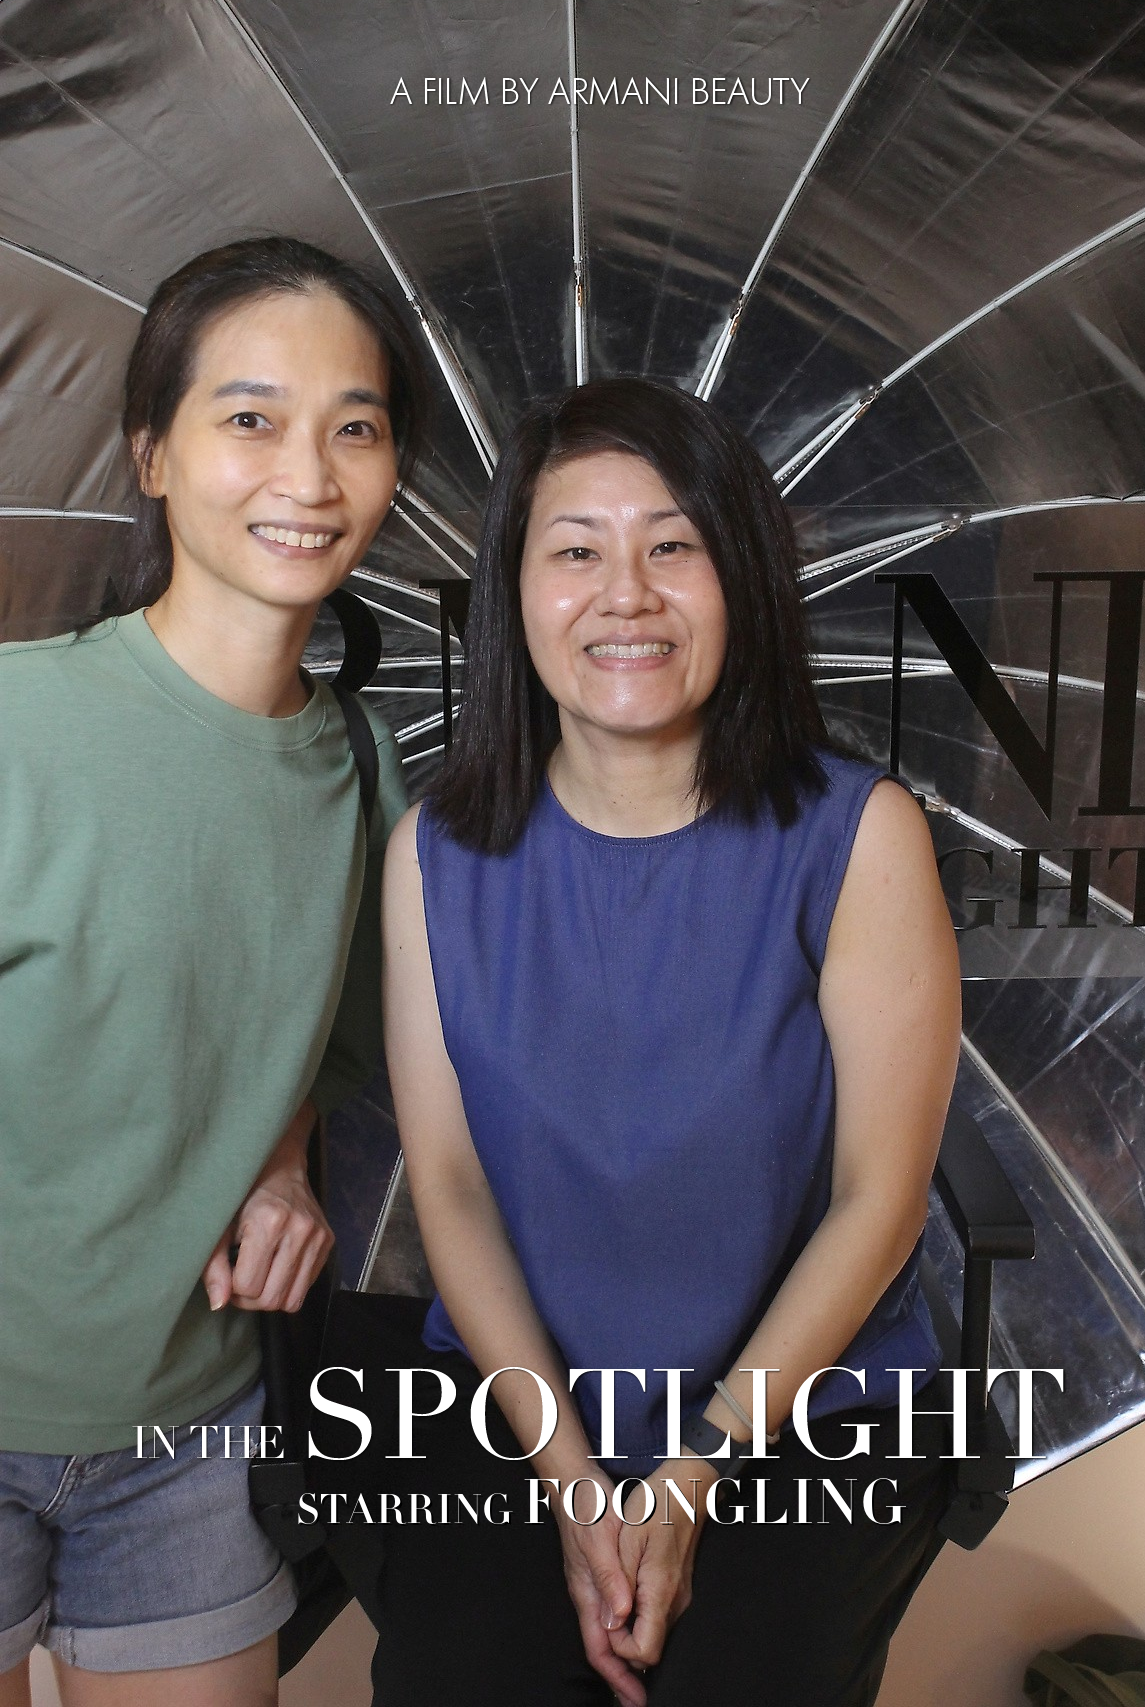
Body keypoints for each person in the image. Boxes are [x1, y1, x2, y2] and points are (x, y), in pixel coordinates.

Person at [374, 376, 962, 1707]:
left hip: (807, 1408)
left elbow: (880, 1201)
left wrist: (691, 1479)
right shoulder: (435, 857)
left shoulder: (857, 835)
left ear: (740, 579)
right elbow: (449, 1189)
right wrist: (577, 1485)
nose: (625, 595)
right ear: (514, 593)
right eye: (576, 551)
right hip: (524, 1406)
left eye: (673, 546)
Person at [0, 237, 422, 1707]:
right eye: (251, 417)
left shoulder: (366, 768)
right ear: (152, 454)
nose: (308, 474)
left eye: (355, 427)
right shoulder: (18, 727)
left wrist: (287, 1165)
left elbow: (330, 1049)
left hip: (191, 1432)